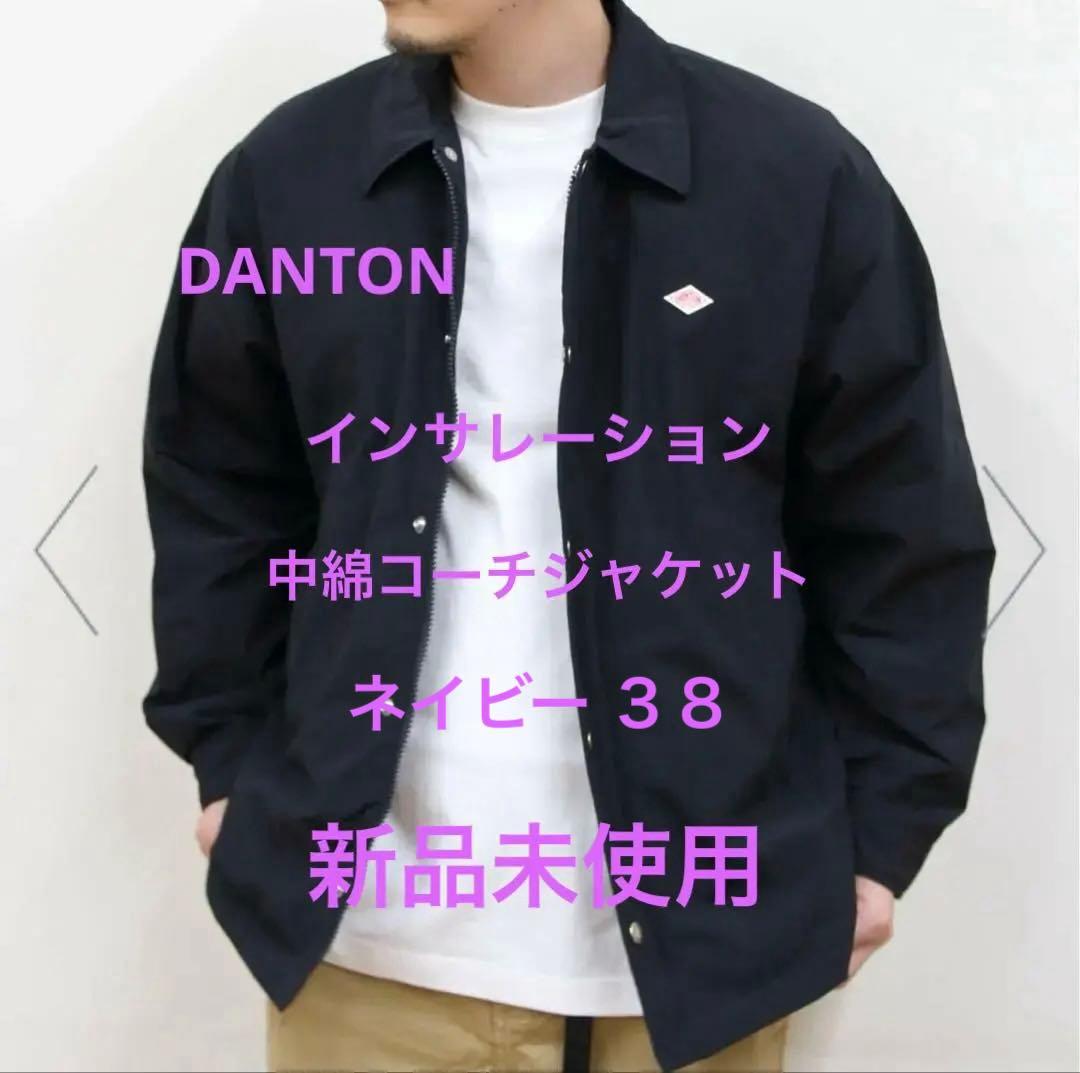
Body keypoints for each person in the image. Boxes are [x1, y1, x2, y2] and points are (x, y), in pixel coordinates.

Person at [142, 0, 995, 1070]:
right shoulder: (288, 175)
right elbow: (218, 492)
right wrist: (231, 764)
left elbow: (902, 532)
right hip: (362, 951)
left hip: (698, 964)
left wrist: (880, 837)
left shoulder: (793, 176)